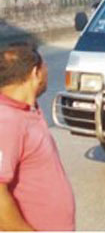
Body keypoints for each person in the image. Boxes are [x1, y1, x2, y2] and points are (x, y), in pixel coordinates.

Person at [0, 43, 75, 231]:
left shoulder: (28, 108)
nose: (47, 73)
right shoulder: (6, 121)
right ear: (35, 73)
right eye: (45, 68)